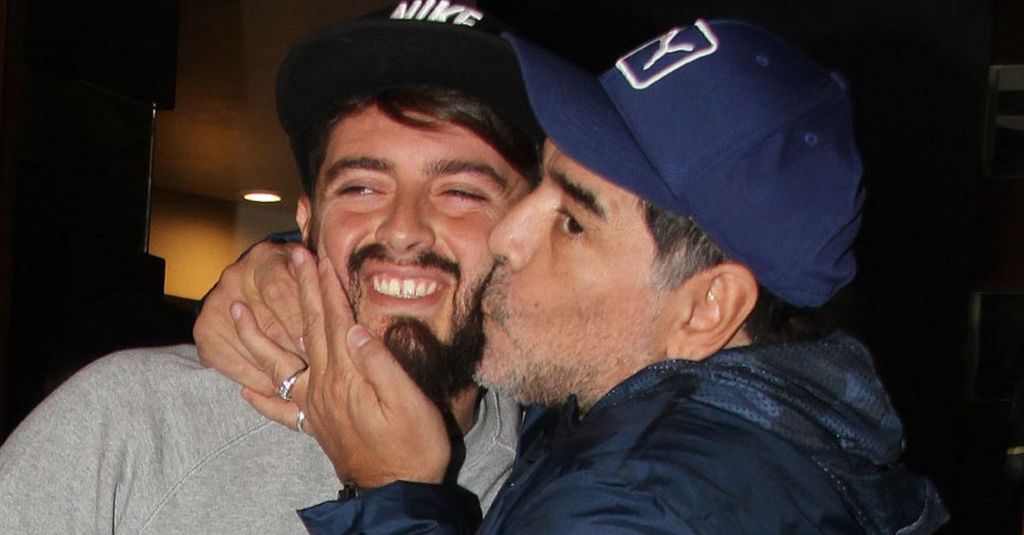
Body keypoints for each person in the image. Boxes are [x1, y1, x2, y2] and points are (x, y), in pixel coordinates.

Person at [230, 19, 950, 533]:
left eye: (572, 221)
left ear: (706, 308)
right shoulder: (716, 419)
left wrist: (392, 493)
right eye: (540, 182)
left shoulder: (632, 504)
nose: (509, 233)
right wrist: (291, 262)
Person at [0, 4, 543, 532]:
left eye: (461, 192)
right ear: (307, 224)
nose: (403, 229)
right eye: (361, 187)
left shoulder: (555, 484)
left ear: (533, 226)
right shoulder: (131, 426)